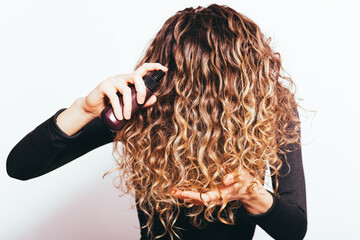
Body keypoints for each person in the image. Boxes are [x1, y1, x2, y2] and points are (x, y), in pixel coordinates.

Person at [6, 4, 307, 240]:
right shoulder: (146, 109)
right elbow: (20, 167)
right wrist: (83, 109)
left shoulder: (271, 109)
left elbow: (294, 230)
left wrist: (250, 192)